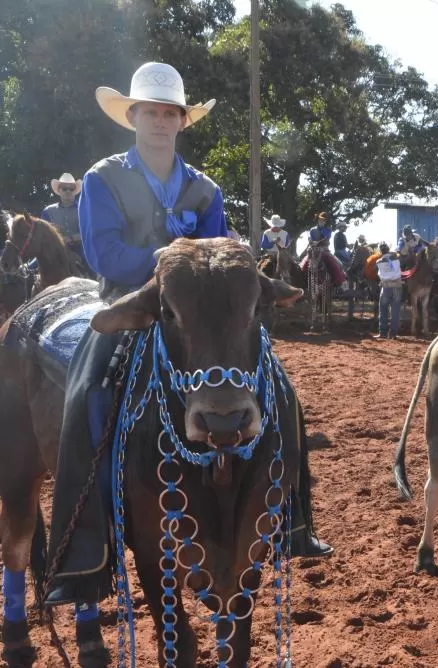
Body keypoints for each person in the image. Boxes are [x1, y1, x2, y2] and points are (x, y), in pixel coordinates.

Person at [45, 62, 333, 617]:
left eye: (169, 113)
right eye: (149, 112)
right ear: (132, 117)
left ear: (182, 120)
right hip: (132, 301)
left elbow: (217, 257)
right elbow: (104, 254)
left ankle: (294, 522)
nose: (159, 120)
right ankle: (83, 549)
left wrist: (207, 272)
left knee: (281, 386)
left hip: (199, 316)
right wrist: (167, 265)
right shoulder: (103, 179)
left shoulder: (205, 188)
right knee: (88, 390)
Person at [41, 173, 84, 257]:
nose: (68, 191)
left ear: (75, 191)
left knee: (92, 264)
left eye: (71, 189)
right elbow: (43, 235)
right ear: (59, 190)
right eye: (64, 189)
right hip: (54, 251)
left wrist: (71, 238)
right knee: (33, 264)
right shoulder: (48, 211)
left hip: (81, 250)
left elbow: (90, 232)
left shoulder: (83, 209)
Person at [300, 212, 347, 286]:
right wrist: (312, 243)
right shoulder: (312, 230)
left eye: (324, 220)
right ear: (318, 220)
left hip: (324, 250)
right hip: (313, 250)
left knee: (335, 264)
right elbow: (310, 240)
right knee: (303, 265)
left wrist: (317, 242)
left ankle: (338, 282)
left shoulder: (328, 230)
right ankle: (301, 282)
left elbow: (326, 239)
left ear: (325, 221)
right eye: (320, 219)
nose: (322, 221)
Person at [374, 242, 403, 339]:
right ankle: (393, 334)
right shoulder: (396, 258)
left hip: (386, 287)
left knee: (383, 309)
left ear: (380, 251)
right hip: (397, 286)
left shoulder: (378, 262)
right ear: (388, 249)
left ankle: (382, 333)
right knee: (395, 311)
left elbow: (378, 273)